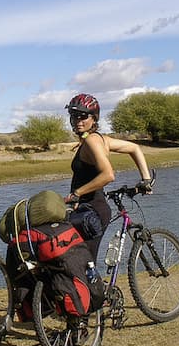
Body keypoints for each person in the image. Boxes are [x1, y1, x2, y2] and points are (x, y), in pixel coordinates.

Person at [64, 93, 153, 261]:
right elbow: (134, 148)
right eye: (74, 116)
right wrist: (145, 179)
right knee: (78, 259)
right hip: (89, 208)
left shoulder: (92, 141)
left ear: (94, 118)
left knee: (83, 263)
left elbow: (108, 175)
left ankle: (96, 288)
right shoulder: (100, 139)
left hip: (91, 211)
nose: (78, 120)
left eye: (83, 116)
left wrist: (77, 194)